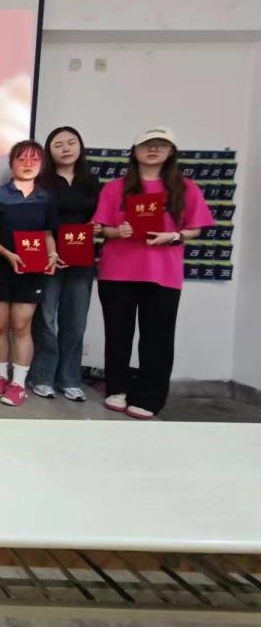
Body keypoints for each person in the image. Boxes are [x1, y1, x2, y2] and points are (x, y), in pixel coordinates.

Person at [93, 127, 213, 420]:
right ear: (134, 151)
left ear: (171, 152)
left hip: (163, 273)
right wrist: (117, 231)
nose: (153, 149)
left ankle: (150, 397)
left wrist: (173, 236)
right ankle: (117, 388)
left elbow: (195, 228)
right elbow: (101, 228)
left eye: (161, 145)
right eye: (147, 144)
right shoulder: (115, 188)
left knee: (157, 338)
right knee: (117, 335)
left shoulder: (185, 188)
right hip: (117, 272)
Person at [29, 126, 101, 402]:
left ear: (80, 147)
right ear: (49, 151)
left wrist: (98, 227)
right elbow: (36, 219)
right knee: (45, 320)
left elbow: (102, 218)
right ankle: (42, 377)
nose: (66, 148)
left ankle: (69, 379)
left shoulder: (91, 182)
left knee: (76, 321)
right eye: (58, 145)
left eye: (71, 143)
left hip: (82, 259)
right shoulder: (41, 181)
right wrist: (48, 251)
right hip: (48, 258)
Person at [0, 140, 59, 407]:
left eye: (34, 159)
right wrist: (8, 254)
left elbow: (48, 234)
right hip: (0, 268)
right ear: (11, 163)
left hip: (31, 272)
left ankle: (18, 384)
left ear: (42, 164)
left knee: (21, 326)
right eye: (21, 159)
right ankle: (1, 377)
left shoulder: (46, 197)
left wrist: (52, 254)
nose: (28, 164)